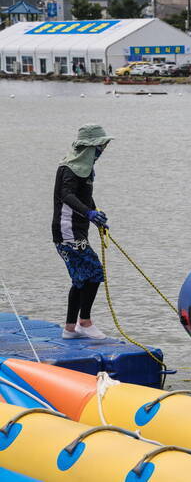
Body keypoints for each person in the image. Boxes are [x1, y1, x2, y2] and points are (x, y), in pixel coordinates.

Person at [52, 124, 113, 339]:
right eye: (100, 146)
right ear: (90, 147)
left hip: (79, 230)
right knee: (94, 271)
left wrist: (96, 215)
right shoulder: (69, 169)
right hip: (66, 231)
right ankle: (84, 322)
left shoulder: (86, 169)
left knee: (81, 278)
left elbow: (84, 197)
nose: (102, 151)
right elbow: (66, 195)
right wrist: (88, 213)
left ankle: (70, 328)